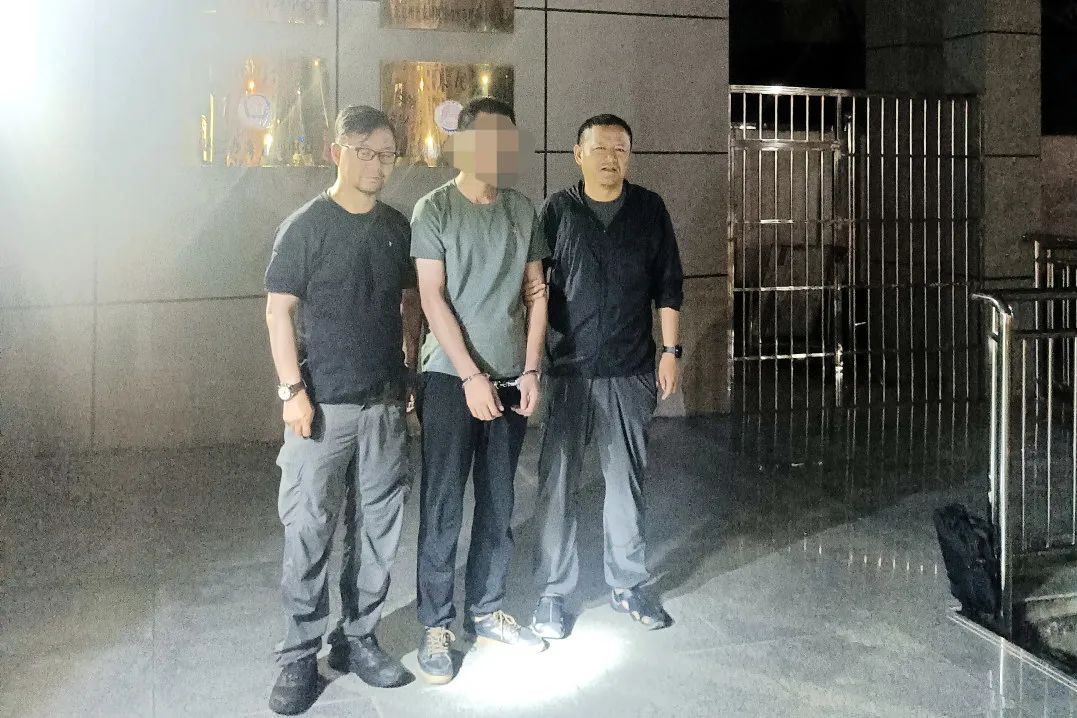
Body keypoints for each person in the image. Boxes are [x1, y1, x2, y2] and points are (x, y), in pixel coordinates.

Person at [264, 105, 422, 715]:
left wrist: (409, 368)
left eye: (388, 155)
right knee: (309, 530)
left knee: (378, 527)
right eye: (367, 153)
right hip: (322, 405)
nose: (379, 165)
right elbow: (279, 311)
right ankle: (299, 655)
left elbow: (409, 303)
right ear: (338, 152)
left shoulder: (395, 226)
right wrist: (291, 392)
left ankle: (358, 637)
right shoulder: (306, 226)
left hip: (383, 401)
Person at [411, 96, 550, 684]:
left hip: (512, 376)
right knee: (443, 501)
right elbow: (431, 296)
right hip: (450, 376)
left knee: (499, 499)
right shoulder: (435, 208)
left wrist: (531, 369)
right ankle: (435, 623)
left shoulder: (523, 210)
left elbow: (536, 293)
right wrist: (470, 375)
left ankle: (487, 608)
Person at [530, 113, 684, 640]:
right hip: (569, 369)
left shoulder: (649, 209)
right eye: (599, 148)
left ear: (629, 156)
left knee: (625, 483)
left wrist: (671, 351)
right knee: (558, 483)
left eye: (620, 148)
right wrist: (532, 359)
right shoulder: (557, 210)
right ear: (578, 154)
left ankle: (629, 582)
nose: (610, 157)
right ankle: (553, 593)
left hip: (631, 366)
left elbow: (668, 284)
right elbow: (534, 289)